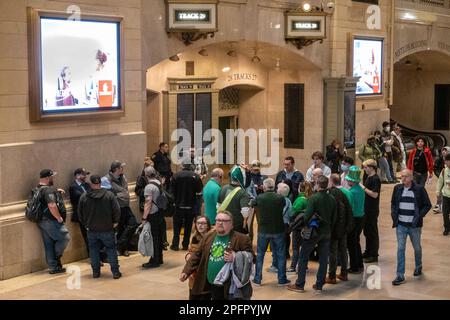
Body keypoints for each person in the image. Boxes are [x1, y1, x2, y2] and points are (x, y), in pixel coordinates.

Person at [180, 211, 254, 300]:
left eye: (224, 221)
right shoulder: (208, 236)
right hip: (209, 281)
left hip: (228, 285)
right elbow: (197, 255)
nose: (220, 223)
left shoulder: (242, 239)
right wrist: (186, 271)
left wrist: (235, 257)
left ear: (231, 224)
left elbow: (252, 258)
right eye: (218, 220)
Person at [287, 175, 337, 293]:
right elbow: (334, 218)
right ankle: (319, 284)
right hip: (327, 232)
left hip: (314, 232)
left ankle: (299, 284)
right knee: (324, 258)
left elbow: (307, 216)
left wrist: (302, 224)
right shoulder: (332, 199)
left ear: (318, 185)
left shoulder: (314, 198)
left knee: (303, 257)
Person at [391, 169, 431, 285]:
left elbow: (427, 205)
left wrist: (419, 216)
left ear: (411, 177)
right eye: (401, 176)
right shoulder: (397, 188)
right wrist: (394, 216)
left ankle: (418, 266)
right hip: (401, 225)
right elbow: (393, 203)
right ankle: (400, 275)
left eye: (405, 176)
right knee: (400, 249)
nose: (403, 179)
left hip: (414, 226)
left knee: (417, 248)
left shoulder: (419, 189)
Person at [78, 175, 121, 279]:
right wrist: (115, 221)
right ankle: (115, 272)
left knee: (93, 251)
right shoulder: (109, 195)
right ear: (100, 183)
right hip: (107, 228)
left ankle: (96, 272)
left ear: (91, 183)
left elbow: (80, 213)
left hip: (91, 229)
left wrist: (86, 225)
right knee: (111, 249)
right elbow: (116, 210)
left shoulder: (84, 196)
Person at [251, 178, 290, 286]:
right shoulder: (280, 198)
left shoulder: (259, 197)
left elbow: (252, 203)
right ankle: (282, 279)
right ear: (274, 186)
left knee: (260, 255)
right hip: (278, 229)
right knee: (281, 254)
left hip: (263, 230)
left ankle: (257, 279)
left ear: (264, 186)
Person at [36, 169, 70, 274]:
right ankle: (56, 258)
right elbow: (51, 205)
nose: (53, 179)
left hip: (41, 220)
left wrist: (56, 192)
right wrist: (59, 218)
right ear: (47, 178)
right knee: (65, 237)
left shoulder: (38, 189)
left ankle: (53, 267)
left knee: (49, 243)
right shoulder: (47, 190)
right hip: (51, 221)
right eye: (51, 177)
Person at [102, 161, 138, 256]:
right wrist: (122, 194)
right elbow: (110, 195)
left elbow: (125, 192)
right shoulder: (106, 179)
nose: (123, 169)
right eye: (121, 167)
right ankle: (123, 248)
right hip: (116, 208)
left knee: (133, 224)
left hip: (126, 206)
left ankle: (120, 245)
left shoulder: (123, 177)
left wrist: (121, 194)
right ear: (117, 169)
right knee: (120, 228)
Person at [171, 159, 203, 251]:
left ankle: (175, 244)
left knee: (177, 226)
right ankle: (185, 244)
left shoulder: (176, 176)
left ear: (182, 165)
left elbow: (172, 190)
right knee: (188, 226)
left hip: (178, 205)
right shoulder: (195, 176)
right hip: (190, 205)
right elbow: (199, 190)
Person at [326, 174, 353, 284]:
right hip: (344, 228)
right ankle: (344, 273)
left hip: (337, 229)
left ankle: (332, 276)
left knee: (333, 252)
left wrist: (334, 228)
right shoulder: (342, 193)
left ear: (331, 182)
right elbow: (347, 210)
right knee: (343, 251)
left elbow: (338, 212)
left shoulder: (333, 194)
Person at [141, 166, 166, 268]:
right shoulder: (158, 182)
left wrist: (144, 217)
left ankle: (154, 260)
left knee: (154, 238)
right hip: (160, 213)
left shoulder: (149, 187)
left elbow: (148, 203)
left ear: (146, 175)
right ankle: (159, 258)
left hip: (153, 215)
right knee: (159, 237)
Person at [218, 166, 253, 235]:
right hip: (237, 226)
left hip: (224, 223)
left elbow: (218, 206)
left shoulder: (223, 188)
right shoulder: (242, 193)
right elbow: (245, 213)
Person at [185, 216, 212, 300]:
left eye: (203, 223)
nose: (200, 226)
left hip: (206, 271)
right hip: (194, 273)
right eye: (198, 223)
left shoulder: (211, 237)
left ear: (207, 225)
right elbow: (191, 252)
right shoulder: (194, 237)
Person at [288, 181, 313, 272]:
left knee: (295, 248)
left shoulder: (300, 200)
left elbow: (292, 213)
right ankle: (304, 265)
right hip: (308, 227)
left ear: (300, 189)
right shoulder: (311, 199)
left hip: (298, 228)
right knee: (305, 247)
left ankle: (293, 266)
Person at [346, 166, 366, 274]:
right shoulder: (360, 189)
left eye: (348, 179)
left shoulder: (352, 192)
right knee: (356, 242)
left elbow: (350, 208)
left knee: (351, 244)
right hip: (361, 217)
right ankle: (359, 264)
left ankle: (354, 267)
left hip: (354, 219)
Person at [361, 159, 382, 263]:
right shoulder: (367, 177)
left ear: (371, 167)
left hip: (372, 208)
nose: (364, 169)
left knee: (372, 232)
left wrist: (363, 188)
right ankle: (368, 251)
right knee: (367, 231)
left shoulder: (375, 179)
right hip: (366, 207)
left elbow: (375, 194)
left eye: (365, 167)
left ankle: (374, 254)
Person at [69, 168, 91, 255]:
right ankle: (93, 256)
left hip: (91, 213)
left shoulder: (87, 185)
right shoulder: (73, 187)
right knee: (87, 236)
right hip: (82, 215)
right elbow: (81, 198)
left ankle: (100, 255)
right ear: (77, 176)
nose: (85, 177)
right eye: (83, 175)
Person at [433, 147, 450, 213]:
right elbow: (435, 168)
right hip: (442, 177)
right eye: (443, 150)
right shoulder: (439, 159)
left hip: (447, 179)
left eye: (445, 150)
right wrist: (440, 175)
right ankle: (438, 206)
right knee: (439, 192)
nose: (443, 152)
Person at [436, 154, 450, 236]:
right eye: (446, 161)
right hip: (445, 196)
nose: (446, 163)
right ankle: (446, 228)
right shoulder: (444, 171)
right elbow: (440, 182)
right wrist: (438, 192)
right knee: (445, 213)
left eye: (447, 161)